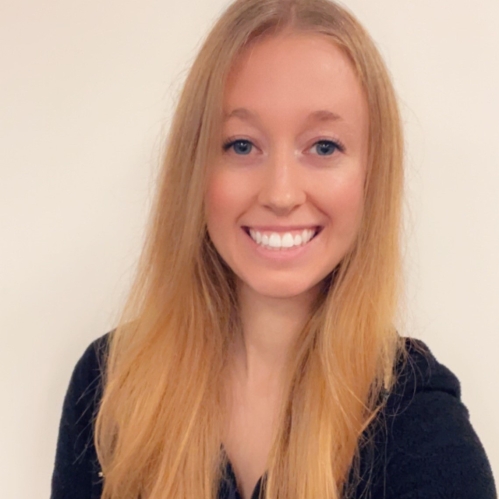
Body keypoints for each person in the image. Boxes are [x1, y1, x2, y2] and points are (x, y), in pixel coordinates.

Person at [50, 0, 497, 498]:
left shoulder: (422, 428)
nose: (280, 194)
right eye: (241, 145)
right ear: (195, 168)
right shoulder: (110, 387)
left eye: (323, 146)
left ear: (372, 176)